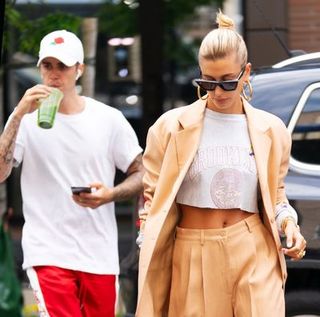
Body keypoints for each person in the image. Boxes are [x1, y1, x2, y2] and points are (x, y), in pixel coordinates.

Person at [136, 11, 307, 317]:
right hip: (193, 250)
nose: (217, 92)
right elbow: (153, 201)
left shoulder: (271, 129)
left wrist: (288, 224)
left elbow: (275, 195)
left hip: (254, 247)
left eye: (228, 82)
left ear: (246, 72)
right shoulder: (170, 128)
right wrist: (147, 242)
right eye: (207, 81)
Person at [0, 30, 143, 317]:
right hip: (47, 252)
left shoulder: (108, 119)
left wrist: (110, 194)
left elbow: (142, 172)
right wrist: (17, 114)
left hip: (99, 254)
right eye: (47, 65)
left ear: (80, 70)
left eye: (63, 66)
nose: (54, 74)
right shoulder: (25, 121)